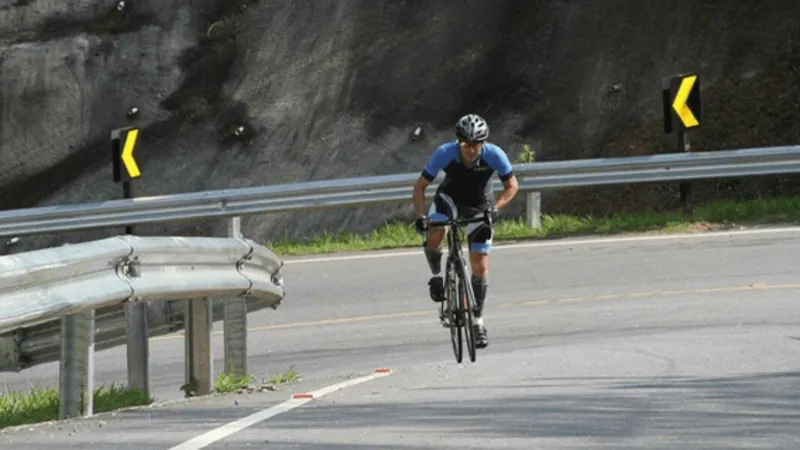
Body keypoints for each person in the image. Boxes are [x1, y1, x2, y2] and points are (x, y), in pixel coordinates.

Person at [411, 113, 519, 349]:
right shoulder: (444, 153)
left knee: (480, 265)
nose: (470, 149)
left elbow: (512, 186)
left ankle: (478, 320)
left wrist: (496, 209)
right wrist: (420, 217)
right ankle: (437, 276)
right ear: (458, 141)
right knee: (436, 232)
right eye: (465, 144)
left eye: (475, 144)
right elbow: (420, 186)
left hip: (479, 205)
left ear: (483, 142)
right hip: (448, 201)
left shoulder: (494, 155)